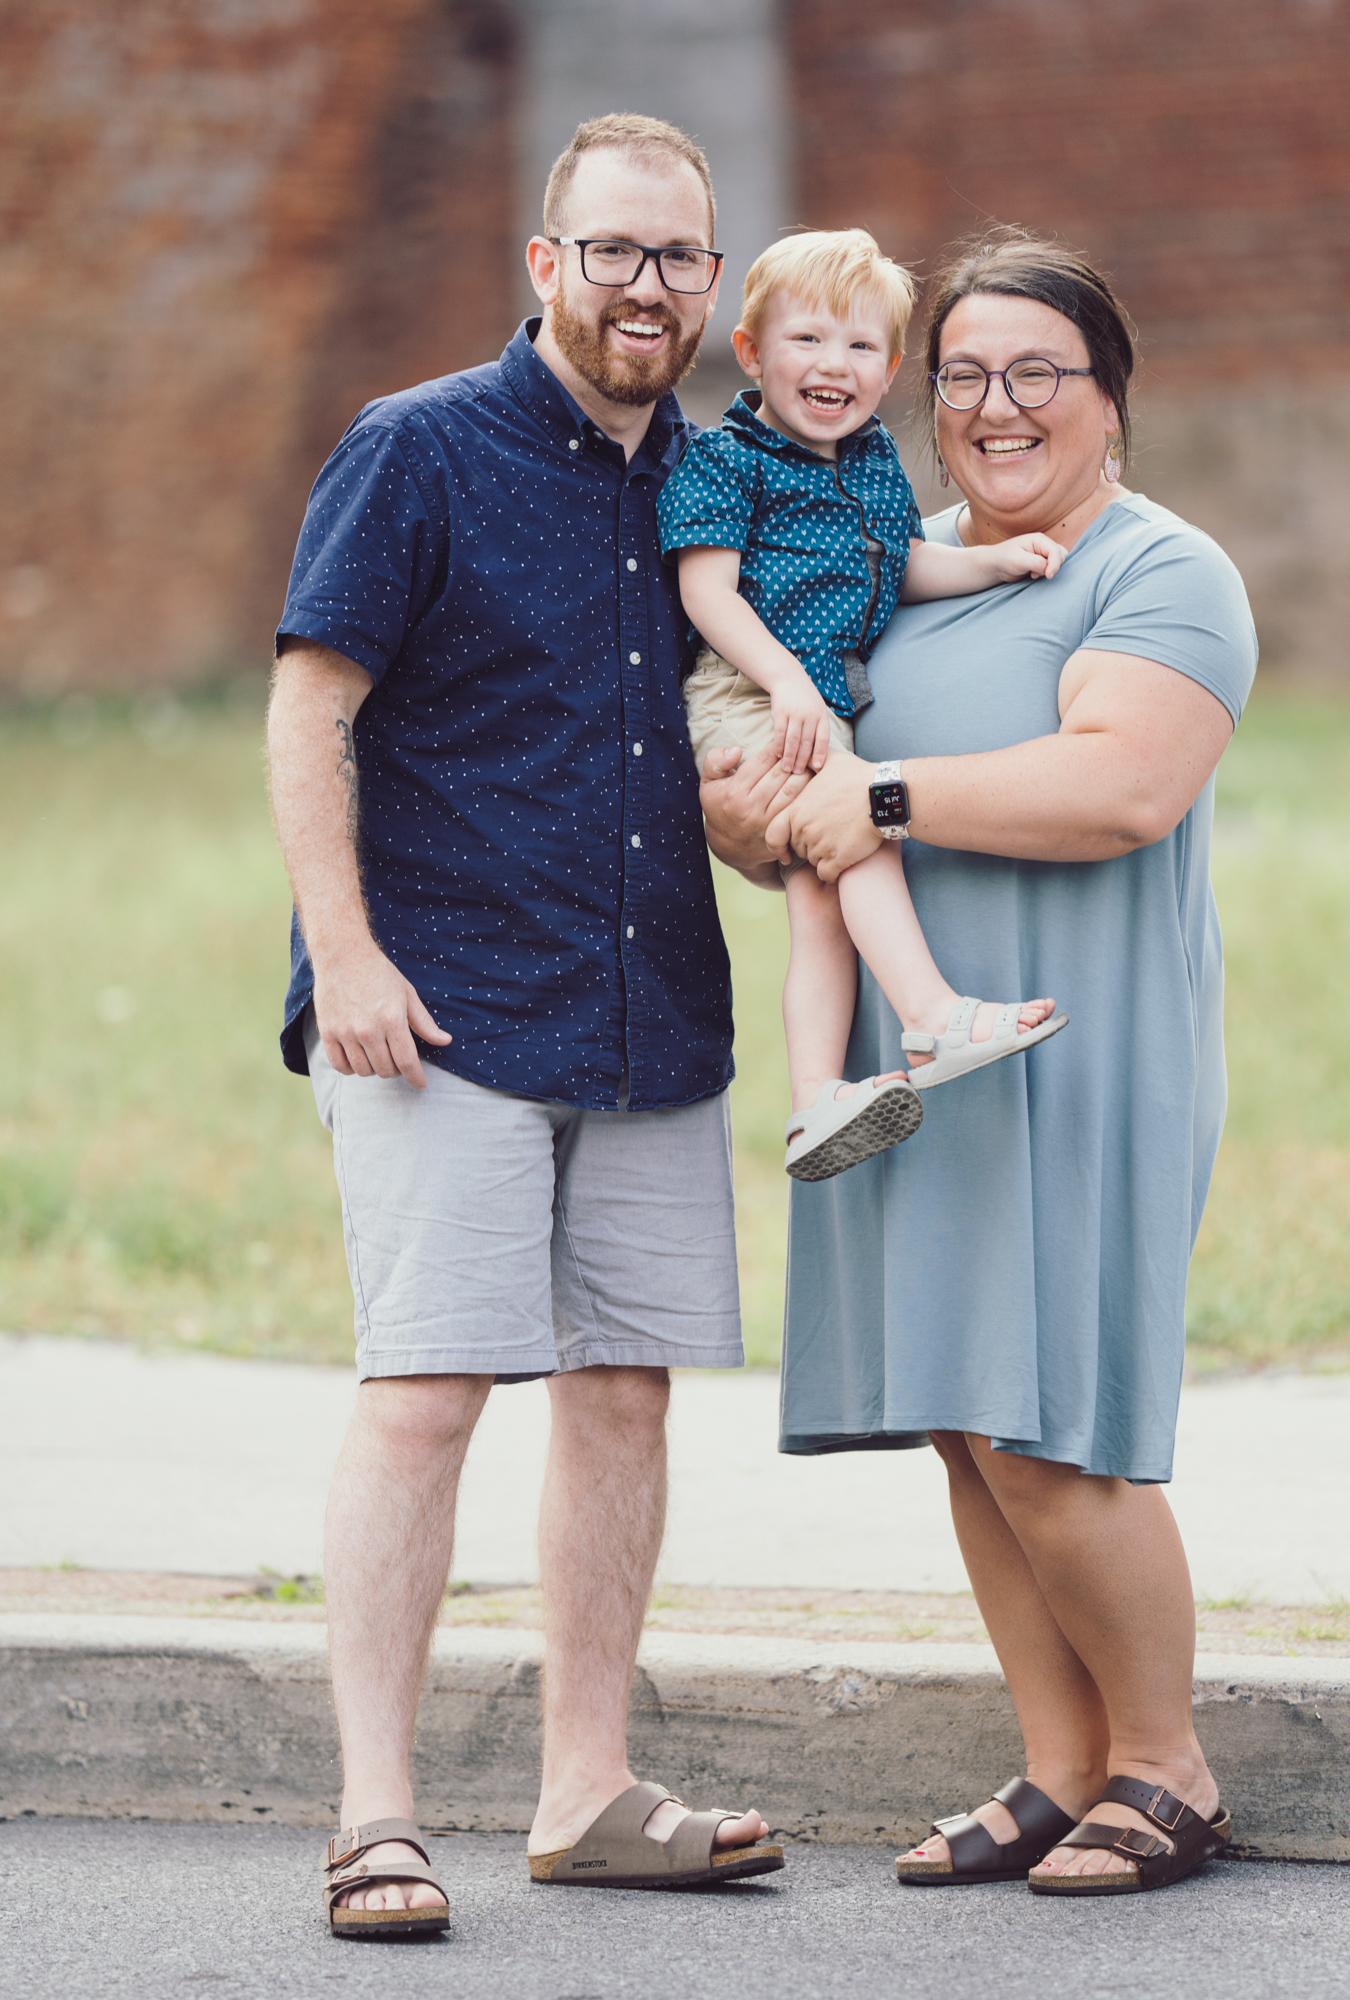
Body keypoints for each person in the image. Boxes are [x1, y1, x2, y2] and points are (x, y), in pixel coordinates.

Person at [266, 113, 788, 1940]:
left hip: (651, 1011)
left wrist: (778, 823)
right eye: (615, 250)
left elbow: (722, 745)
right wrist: (343, 955)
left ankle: (587, 1794)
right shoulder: (416, 448)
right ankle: (375, 1817)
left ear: (713, 283)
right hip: (441, 1010)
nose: (649, 286)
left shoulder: (718, 488)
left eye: (681, 256)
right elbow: (311, 710)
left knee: (625, 1394)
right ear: (547, 263)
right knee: (427, 1394)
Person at [702, 229, 1256, 1897]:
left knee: (1053, 1429)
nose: (996, 407)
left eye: (1037, 374)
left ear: (1112, 397)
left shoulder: (1156, 572)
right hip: (917, 1057)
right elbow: (796, 787)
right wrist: (756, 811)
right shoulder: (899, 554)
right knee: (968, 1422)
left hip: (1074, 1048)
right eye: (962, 375)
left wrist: (874, 797)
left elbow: (1118, 787)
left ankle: (1166, 1765)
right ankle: (1060, 1764)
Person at [660, 229, 1066, 1184]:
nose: (832, 365)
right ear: (752, 353)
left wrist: (990, 563)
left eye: (858, 347)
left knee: (820, 905)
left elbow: (899, 565)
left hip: (814, 700)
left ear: (887, 371)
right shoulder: (729, 460)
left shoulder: (873, 460)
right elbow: (706, 594)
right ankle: (930, 1017)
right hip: (748, 689)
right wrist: (785, 682)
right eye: (806, 340)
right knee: (865, 829)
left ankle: (815, 1101)